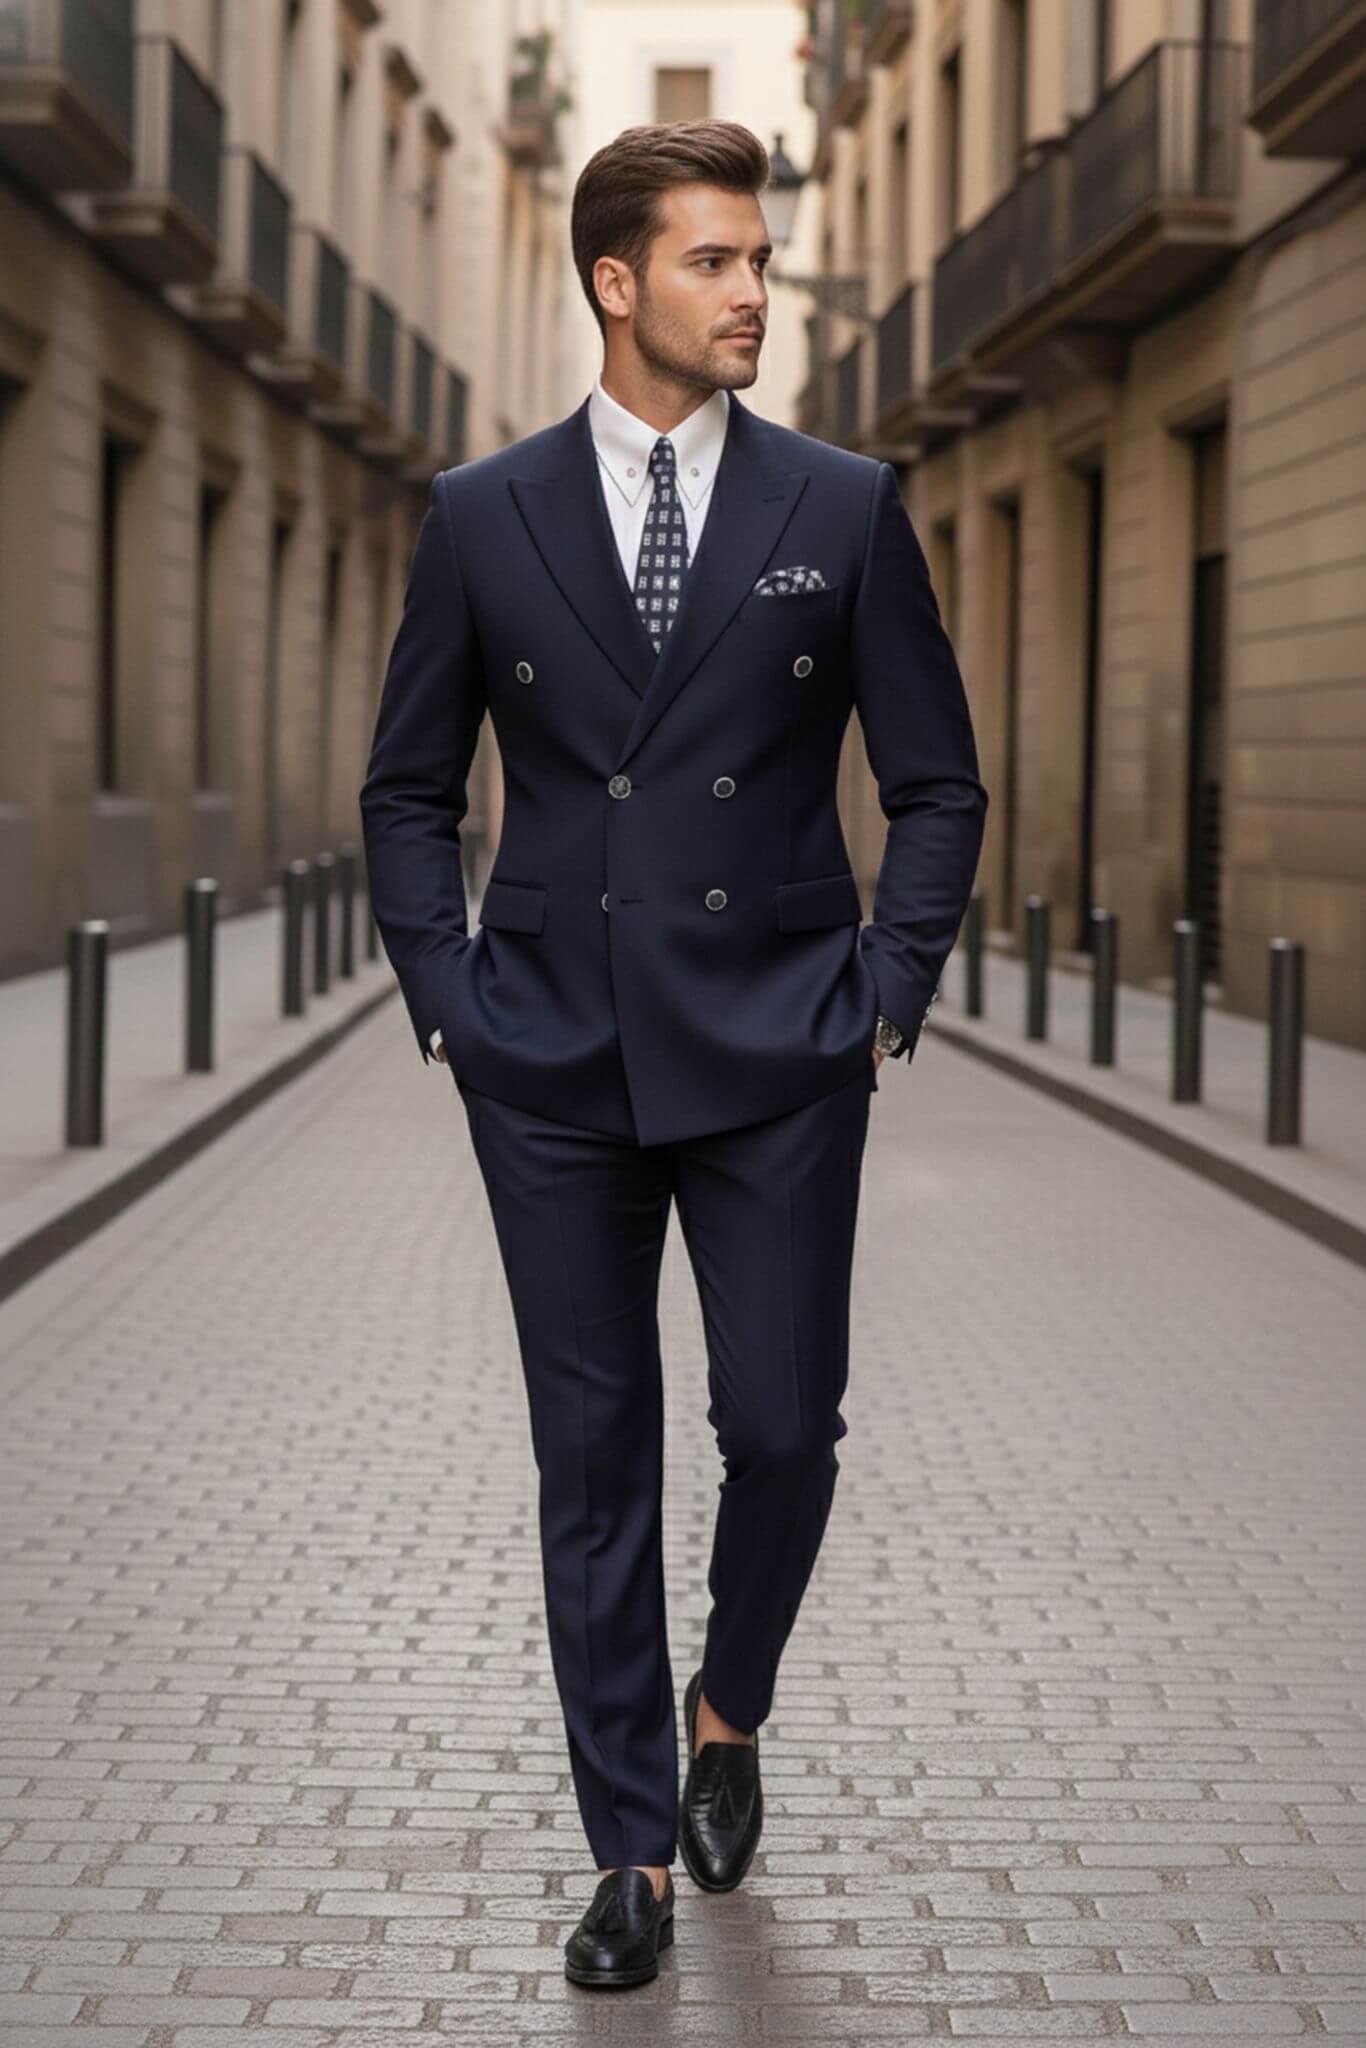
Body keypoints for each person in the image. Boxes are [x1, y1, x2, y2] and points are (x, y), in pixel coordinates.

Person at [359, 118, 988, 1990]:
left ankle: (731, 1701)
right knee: (593, 1451)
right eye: (715, 262)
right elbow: (407, 788)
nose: (754, 293)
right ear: (616, 283)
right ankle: (625, 1846)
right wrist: (447, 1000)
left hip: (781, 1037)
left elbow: (937, 781)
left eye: (761, 260)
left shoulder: (842, 504)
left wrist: (882, 988)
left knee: (781, 1424)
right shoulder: (482, 513)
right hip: (549, 1052)